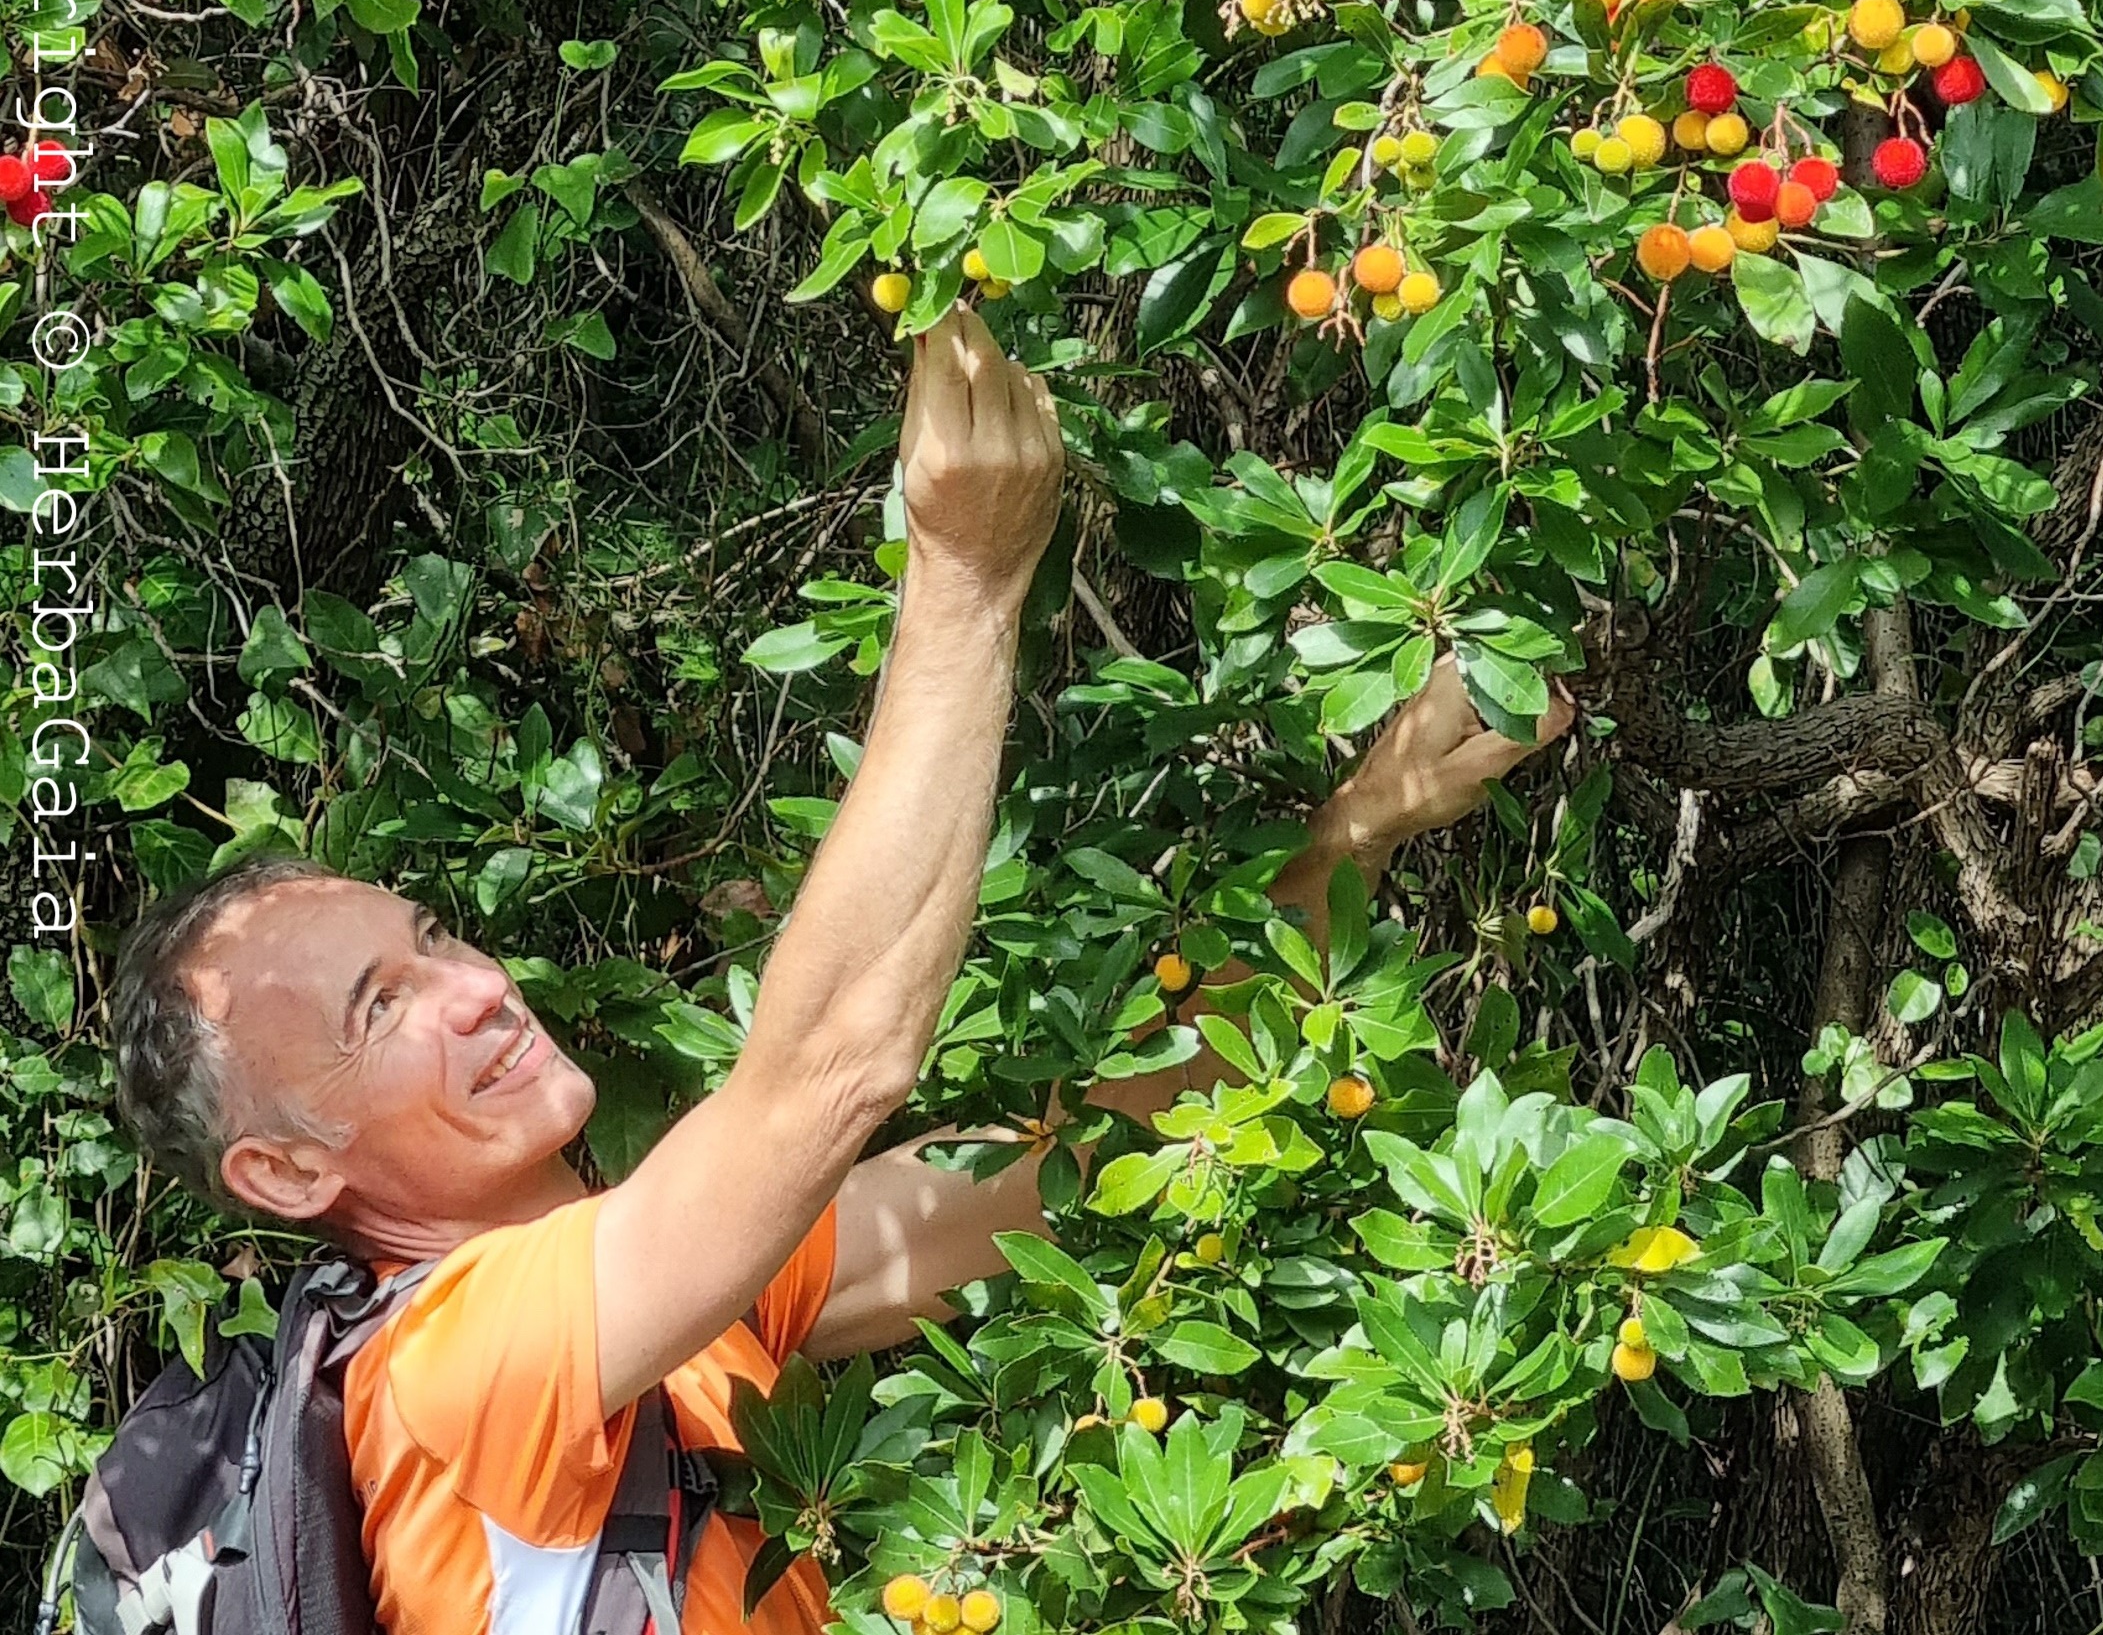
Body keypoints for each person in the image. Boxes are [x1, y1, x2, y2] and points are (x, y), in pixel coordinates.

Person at [107, 304, 1572, 1635]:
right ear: (291, 1174)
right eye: (380, 1011)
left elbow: (1111, 1156)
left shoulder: (689, 1302)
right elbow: (827, 1070)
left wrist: (1366, 822)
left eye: (431, 938)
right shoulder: (447, 1368)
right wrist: (969, 569)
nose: (475, 984)